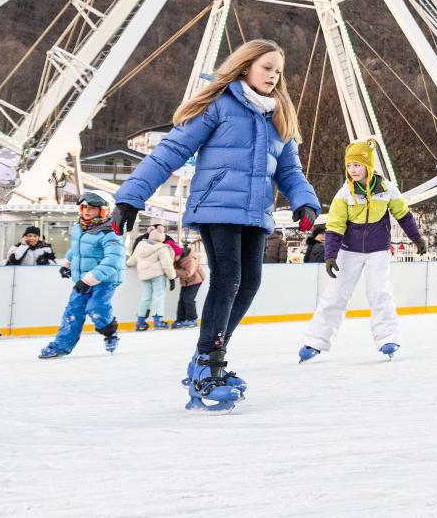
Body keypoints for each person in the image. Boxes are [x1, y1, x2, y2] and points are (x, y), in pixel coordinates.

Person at [114, 39, 319, 410]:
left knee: (249, 283)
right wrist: (131, 196)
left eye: (278, 70)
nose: (273, 75)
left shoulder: (279, 116)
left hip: (256, 213)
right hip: (217, 207)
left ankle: (206, 358)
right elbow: (170, 152)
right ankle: (209, 364)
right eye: (266, 67)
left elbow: (290, 170)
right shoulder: (219, 106)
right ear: (245, 67)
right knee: (228, 278)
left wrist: (305, 200)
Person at [299, 139, 424, 361]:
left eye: (357, 165)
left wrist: (417, 239)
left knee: (380, 292)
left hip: (378, 250)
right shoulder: (344, 194)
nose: (352, 170)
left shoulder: (387, 189)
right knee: (336, 293)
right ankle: (315, 341)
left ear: (368, 165)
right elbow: (335, 226)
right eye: (349, 166)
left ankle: (388, 338)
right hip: (350, 250)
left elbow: (403, 215)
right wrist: (330, 255)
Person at [39, 190, 124, 357]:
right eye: (84, 207)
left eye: (92, 208)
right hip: (82, 280)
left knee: (96, 308)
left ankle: (109, 332)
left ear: (104, 210)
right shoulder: (79, 228)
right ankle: (60, 346)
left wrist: (89, 280)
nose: (86, 211)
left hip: (104, 281)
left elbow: (113, 261)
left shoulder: (110, 232)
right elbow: (76, 249)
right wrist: (67, 264)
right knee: (73, 311)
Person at [126, 222, 178, 332]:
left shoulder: (140, 245)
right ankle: (157, 321)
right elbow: (167, 264)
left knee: (145, 297)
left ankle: (140, 322)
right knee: (158, 296)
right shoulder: (162, 248)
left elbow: (132, 259)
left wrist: (128, 264)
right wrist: (172, 278)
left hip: (144, 276)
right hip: (158, 275)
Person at [171, 233, 204, 328]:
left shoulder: (190, 259)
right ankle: (180, 320)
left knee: (188, 299)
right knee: (181, 301)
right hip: (185, 282)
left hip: (195, 281)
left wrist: (174, 271)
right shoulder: (177, 259)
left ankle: (193, 319)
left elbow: (189, 273)